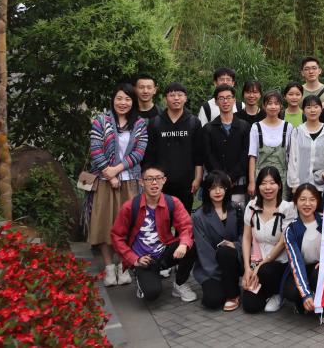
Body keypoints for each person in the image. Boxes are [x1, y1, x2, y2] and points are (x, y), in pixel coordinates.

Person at [89, 83, 148, 287]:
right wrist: (109, 173)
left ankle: (124, 266)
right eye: (119, 98)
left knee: (129, 226)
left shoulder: (139, 124)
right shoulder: (101, 121)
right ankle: (109, 268)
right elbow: (95, 149)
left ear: (133, 102)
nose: (123, 103)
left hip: (130, 181)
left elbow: (139, 153)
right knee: (105, 225)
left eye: (127, 99)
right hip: (105, 182)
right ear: (113, 100)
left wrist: (117, 170)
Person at [110, 165, 197, 303]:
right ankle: (142, 278)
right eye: (149, 179)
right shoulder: (130, 206)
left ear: (164, 180)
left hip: (164, 253)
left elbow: (186, 226)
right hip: (143, 259)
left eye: (158, 178)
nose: (154, 182)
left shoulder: (172, 202)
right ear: (141, 182)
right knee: (152, 294)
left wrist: (183, 244)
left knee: (191, 246)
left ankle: (179, 284)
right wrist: (133, 259)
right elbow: (116, 236)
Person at [143, 82, 204, 214]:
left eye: (180, 95)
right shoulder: (155, 123)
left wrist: (198, 178)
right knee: (161, 218)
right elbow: (149, 155)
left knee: (183, 219)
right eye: (172, 95)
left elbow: (198, 154)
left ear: (185, 98)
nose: (176, 98)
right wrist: (149, 178)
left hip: (186, 182)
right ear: (166, 98)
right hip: (160, 182)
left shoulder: (194, 122)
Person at [241, 166, 295, 314]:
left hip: (278, 264)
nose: (268, 187)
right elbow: (246, 237)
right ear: (258, 186)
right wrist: (248, 268)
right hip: (256, 260)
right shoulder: (251, 206)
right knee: (250, 306)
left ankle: (278, 293)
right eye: (263, 183)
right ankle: (264, 291)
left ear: (280, 185)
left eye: (272, 183)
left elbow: (283, 242)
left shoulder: (287, 208)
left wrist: (261, 265)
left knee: (266, 270)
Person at [192, 170, 245, 311]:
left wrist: (235, 245)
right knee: (212, 301)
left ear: (227, 189)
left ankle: (233, 295)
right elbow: (203, 249)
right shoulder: (198, 216)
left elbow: (244, 235)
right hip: (211, 267)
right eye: (213, 188)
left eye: (221, 187)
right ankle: (225, 285)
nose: (217, 191)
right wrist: (221, 274)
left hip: (234, 260)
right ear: (207, 190)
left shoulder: (236, 208)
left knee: (225, 251)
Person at [283, 184, 324, 324]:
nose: (307, 204)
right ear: (295, 202)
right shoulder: (291, 230)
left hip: (322, 267)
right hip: (302, 268)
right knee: (291, 291)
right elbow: (296, 263)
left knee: (320, 273)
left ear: (318, 202)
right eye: (302, 199)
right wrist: (305, 294)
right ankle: (304, 302)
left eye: (312, 199)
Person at [202, 84, 250, 204]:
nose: (225, 101)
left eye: (228, 97)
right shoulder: (208, 128)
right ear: (216, 102)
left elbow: (245, 154)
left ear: (234, 100)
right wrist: (222, 177)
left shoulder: (244, 126)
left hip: (239, 183)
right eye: (221, 98)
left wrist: (232, 177)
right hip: (215, 183)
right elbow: (207, 155)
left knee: (238, 212)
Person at [247, 91, 293, 197]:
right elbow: (252, 156)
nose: (273, 107)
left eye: (276, 103)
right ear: (264, 106)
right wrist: (252, 182)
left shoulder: (288, 127)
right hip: (261, 178)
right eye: (269, 103)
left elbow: (291, 156)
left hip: (282, 178)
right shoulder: (256, 127)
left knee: (282, 205)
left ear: (281, 106)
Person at [286, 95, 324, 192]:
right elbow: (293, 159)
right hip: (301, 185)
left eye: (316, 107)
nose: (312, 110)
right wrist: (294, 184)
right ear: (303, 110)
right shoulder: (297, 131)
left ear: (321, 109)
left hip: (323, 185)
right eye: (308, 107)